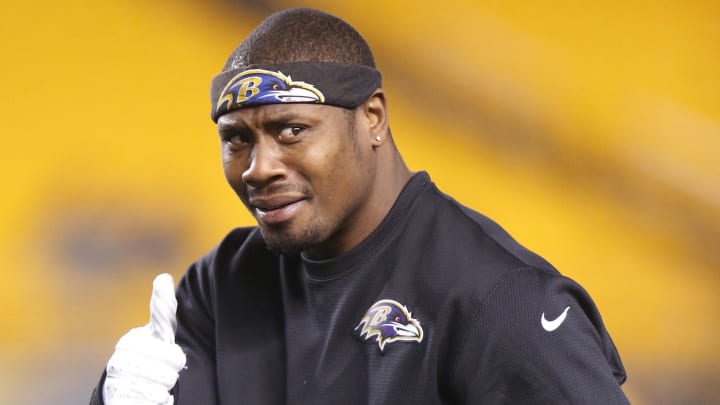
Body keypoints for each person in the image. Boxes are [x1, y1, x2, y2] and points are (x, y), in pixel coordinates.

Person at [90, 7, 629, 404]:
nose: (259, 166)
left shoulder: (498, 301)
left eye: (291, 130)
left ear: (372, 118)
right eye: (236, 140)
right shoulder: (222, 285)